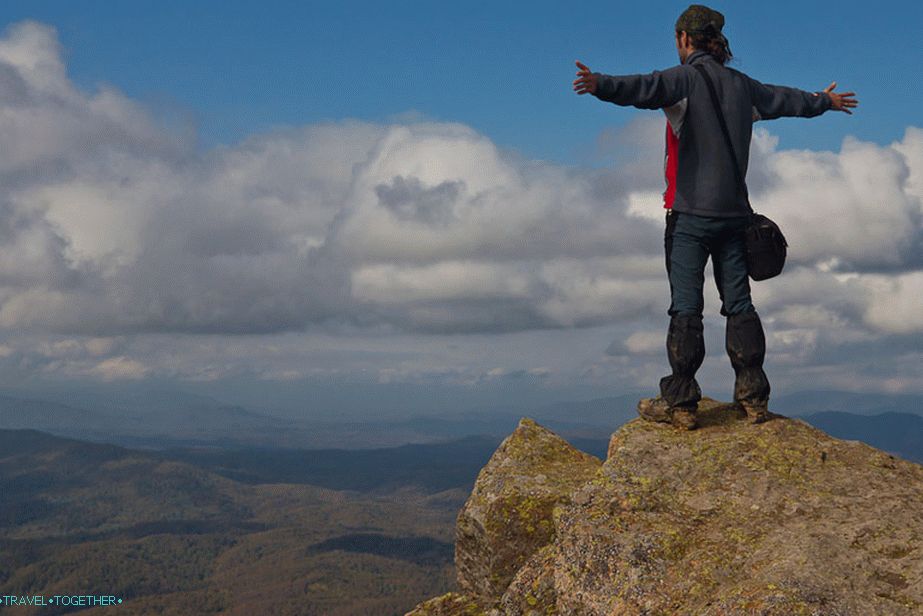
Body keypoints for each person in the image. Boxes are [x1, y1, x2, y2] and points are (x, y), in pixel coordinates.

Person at [572, 5, 858, 430]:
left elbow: (643, 88)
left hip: (690, 216)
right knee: (739, 304)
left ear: (685, 40)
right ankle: (753, 399)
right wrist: (825, 102)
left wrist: (599, 85)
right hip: (734, 217)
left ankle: (682, 404)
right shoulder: (744, 87)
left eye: (677, 40)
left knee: (686, 309)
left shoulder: (683, 79)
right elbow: (787, 99)